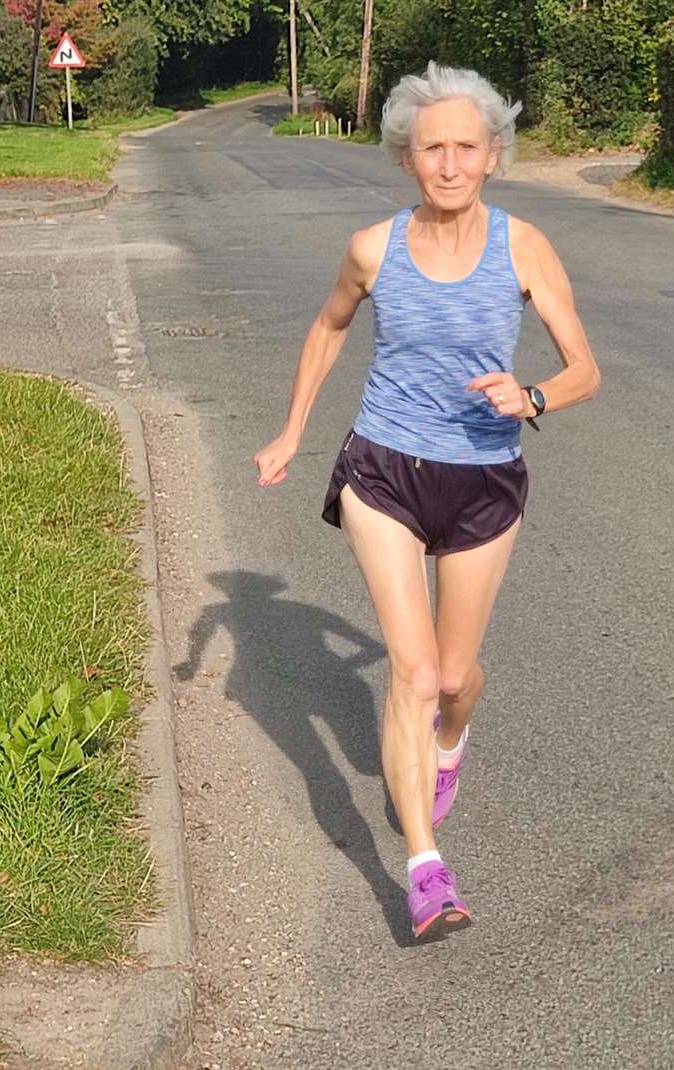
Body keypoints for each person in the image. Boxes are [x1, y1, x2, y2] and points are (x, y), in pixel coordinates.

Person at [254, 61, 600, 943]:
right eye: (430, 148)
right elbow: (329, 325)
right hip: (385, 470)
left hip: (485, 477)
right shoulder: (375, 247)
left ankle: (452, 738)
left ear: (493, 156)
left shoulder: (524, 247)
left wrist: (532, 399)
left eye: (465, 147)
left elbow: (585, 369)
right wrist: (294, 430)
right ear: (407, 159)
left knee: (451, 679)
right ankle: (422, 867)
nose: (447, 163)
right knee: (411, 675)